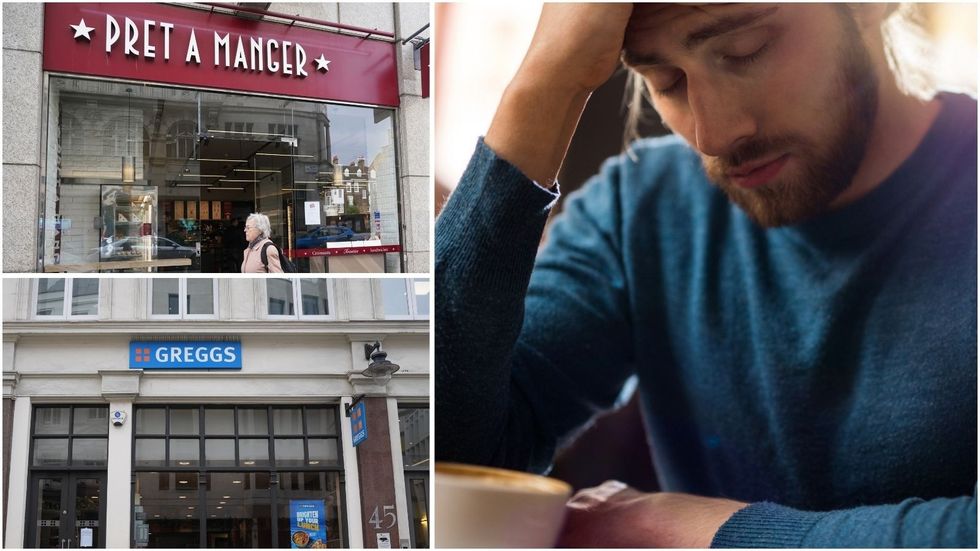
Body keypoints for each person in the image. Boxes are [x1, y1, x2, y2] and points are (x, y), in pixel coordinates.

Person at [435, 3, 976, 548]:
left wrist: (706, 534)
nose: (712, 135)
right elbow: (447, 457)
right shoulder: (639, 209)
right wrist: (550, 77)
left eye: (746, 51)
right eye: (664, 81)